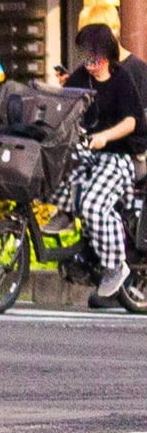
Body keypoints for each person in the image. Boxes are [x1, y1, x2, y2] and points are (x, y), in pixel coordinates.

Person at [62, 24, 147, 305]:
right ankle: (67, 218)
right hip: (90, 155)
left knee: (93, 205)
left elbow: (131, 122)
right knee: (52, 175)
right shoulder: (80, 77)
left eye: (96, 59)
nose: (92, 65)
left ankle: (115, 265)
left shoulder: (122, 80)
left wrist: (104, 137)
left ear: (109, 55)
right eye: (86, 58)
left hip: (121, 157)